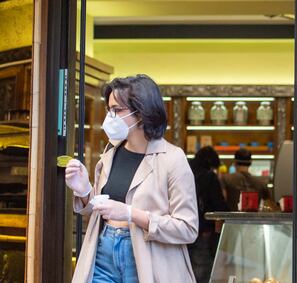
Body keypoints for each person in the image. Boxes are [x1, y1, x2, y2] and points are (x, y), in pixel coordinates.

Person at [65, 74, 198, 283]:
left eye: (117, 110)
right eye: (110, 109)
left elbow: (187, 228)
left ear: (142, 113)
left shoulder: (173, 159)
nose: (110, 117)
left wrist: (130, 213)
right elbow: (101, 209)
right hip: (103, 252)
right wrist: (83, 191)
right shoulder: (110, 154)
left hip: (148, 260)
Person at [188, 146, 227, 283]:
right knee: (201, 270)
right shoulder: (209, 177)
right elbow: (219, 205)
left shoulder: (184, 170)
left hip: (180, 230)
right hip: (202, 230)